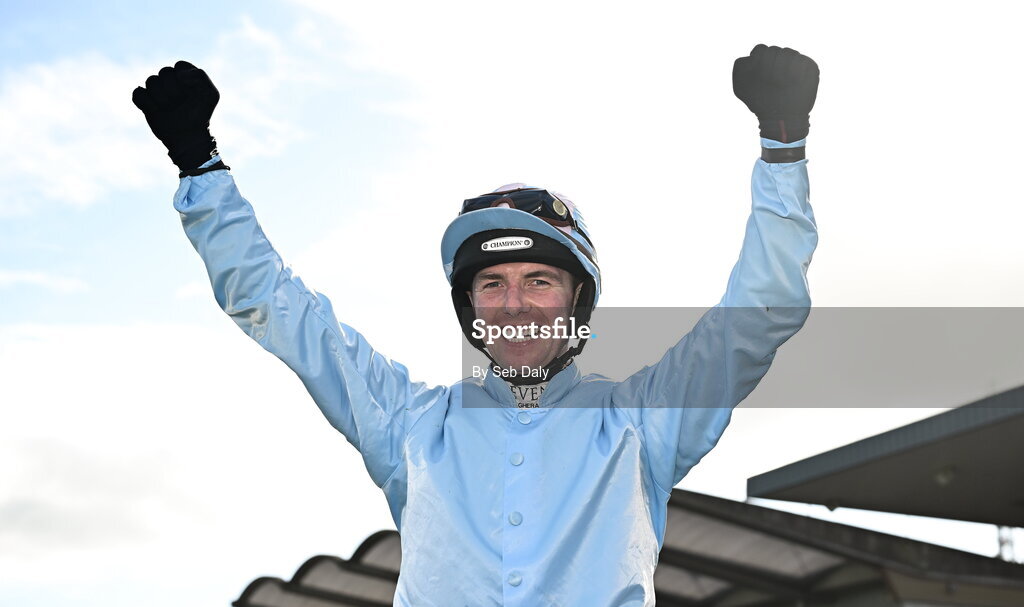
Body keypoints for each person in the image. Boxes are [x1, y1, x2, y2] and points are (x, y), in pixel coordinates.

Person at [133, 44, 819, 607]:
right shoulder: (410, 422)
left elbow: (759, 314)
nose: (513, 302)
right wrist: (202, 166)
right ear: (471, 309)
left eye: (538, 281)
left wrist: (782, 150)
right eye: (491, 284)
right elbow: (274, 305)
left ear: (577, 302)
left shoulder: (643, 420)